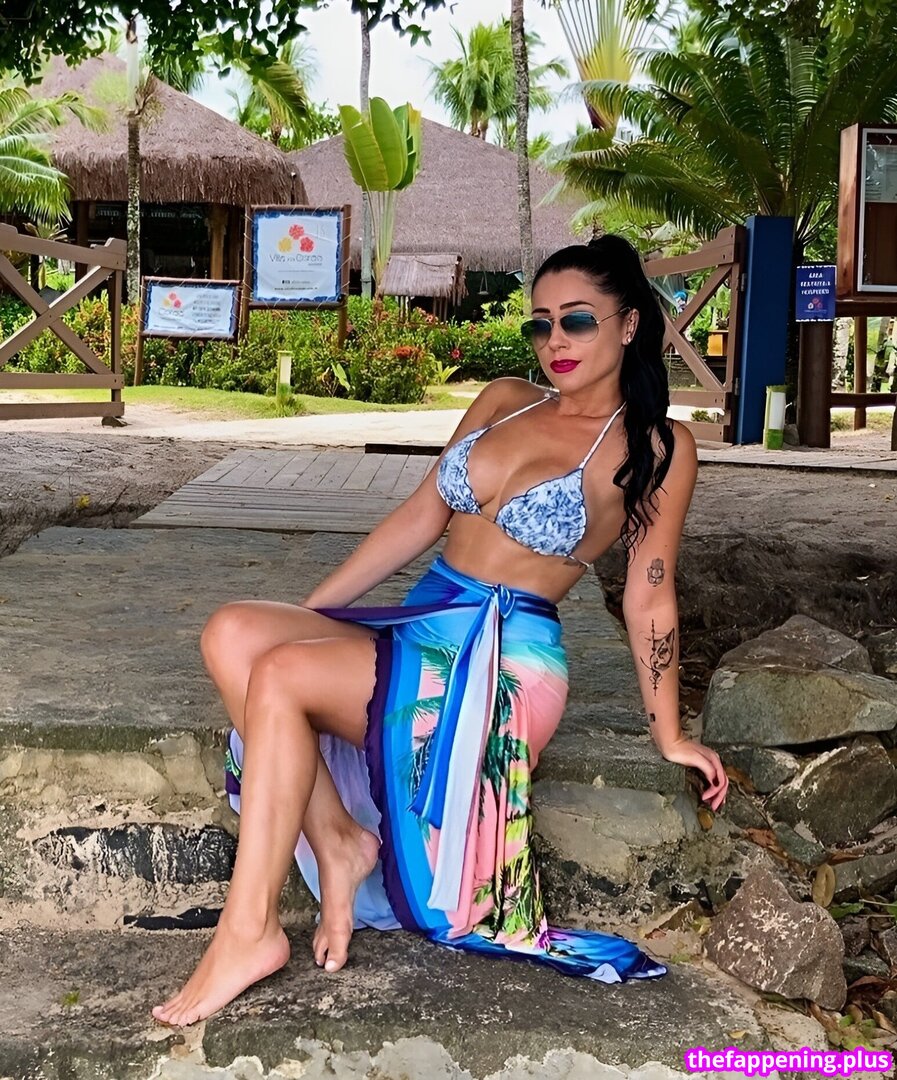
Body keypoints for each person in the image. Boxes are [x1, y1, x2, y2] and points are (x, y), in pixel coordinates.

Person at [152, 235, 728, 1028]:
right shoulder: (504, 399)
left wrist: (669, 734)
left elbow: (649, 594)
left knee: (280, 674)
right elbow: (419, 517)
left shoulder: (657, 447)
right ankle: (338, 840)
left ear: (628, 325)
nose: (554, 340)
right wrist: (315, 618)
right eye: (539, 324)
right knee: (232, 634)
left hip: (502, 659)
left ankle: (248, 932)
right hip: (426, 616)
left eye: (576, 320)